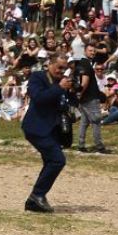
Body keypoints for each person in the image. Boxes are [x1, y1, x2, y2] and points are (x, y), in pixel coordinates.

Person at [20, 54, 74, 213]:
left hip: (53, 130)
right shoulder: (37, 77)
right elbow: (38, 98)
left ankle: (35, 199)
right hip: (36, 128)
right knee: (58, 160)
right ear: (49, 64)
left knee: (51, 161)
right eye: (59, 67)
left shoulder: (60, 83)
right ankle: (37, 195)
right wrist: (59, 88)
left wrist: (70, 93)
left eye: (64, 68)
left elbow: (63, 102)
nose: (61, 71)